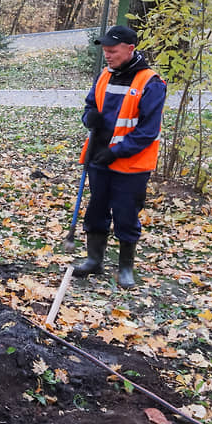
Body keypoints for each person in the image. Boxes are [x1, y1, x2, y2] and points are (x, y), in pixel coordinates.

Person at [73, 25, 167, 289]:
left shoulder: (151, 83)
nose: (108, 56)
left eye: (112, 51)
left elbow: (148, 131)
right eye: (105, 50)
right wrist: (88, 117)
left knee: (125, 214)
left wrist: (115, 152)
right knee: (97, 209)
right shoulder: (105, 75)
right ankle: (95, 260)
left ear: (130, 49)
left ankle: (126, 267)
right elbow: (91, 104)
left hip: (130, 164)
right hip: (98, 157)